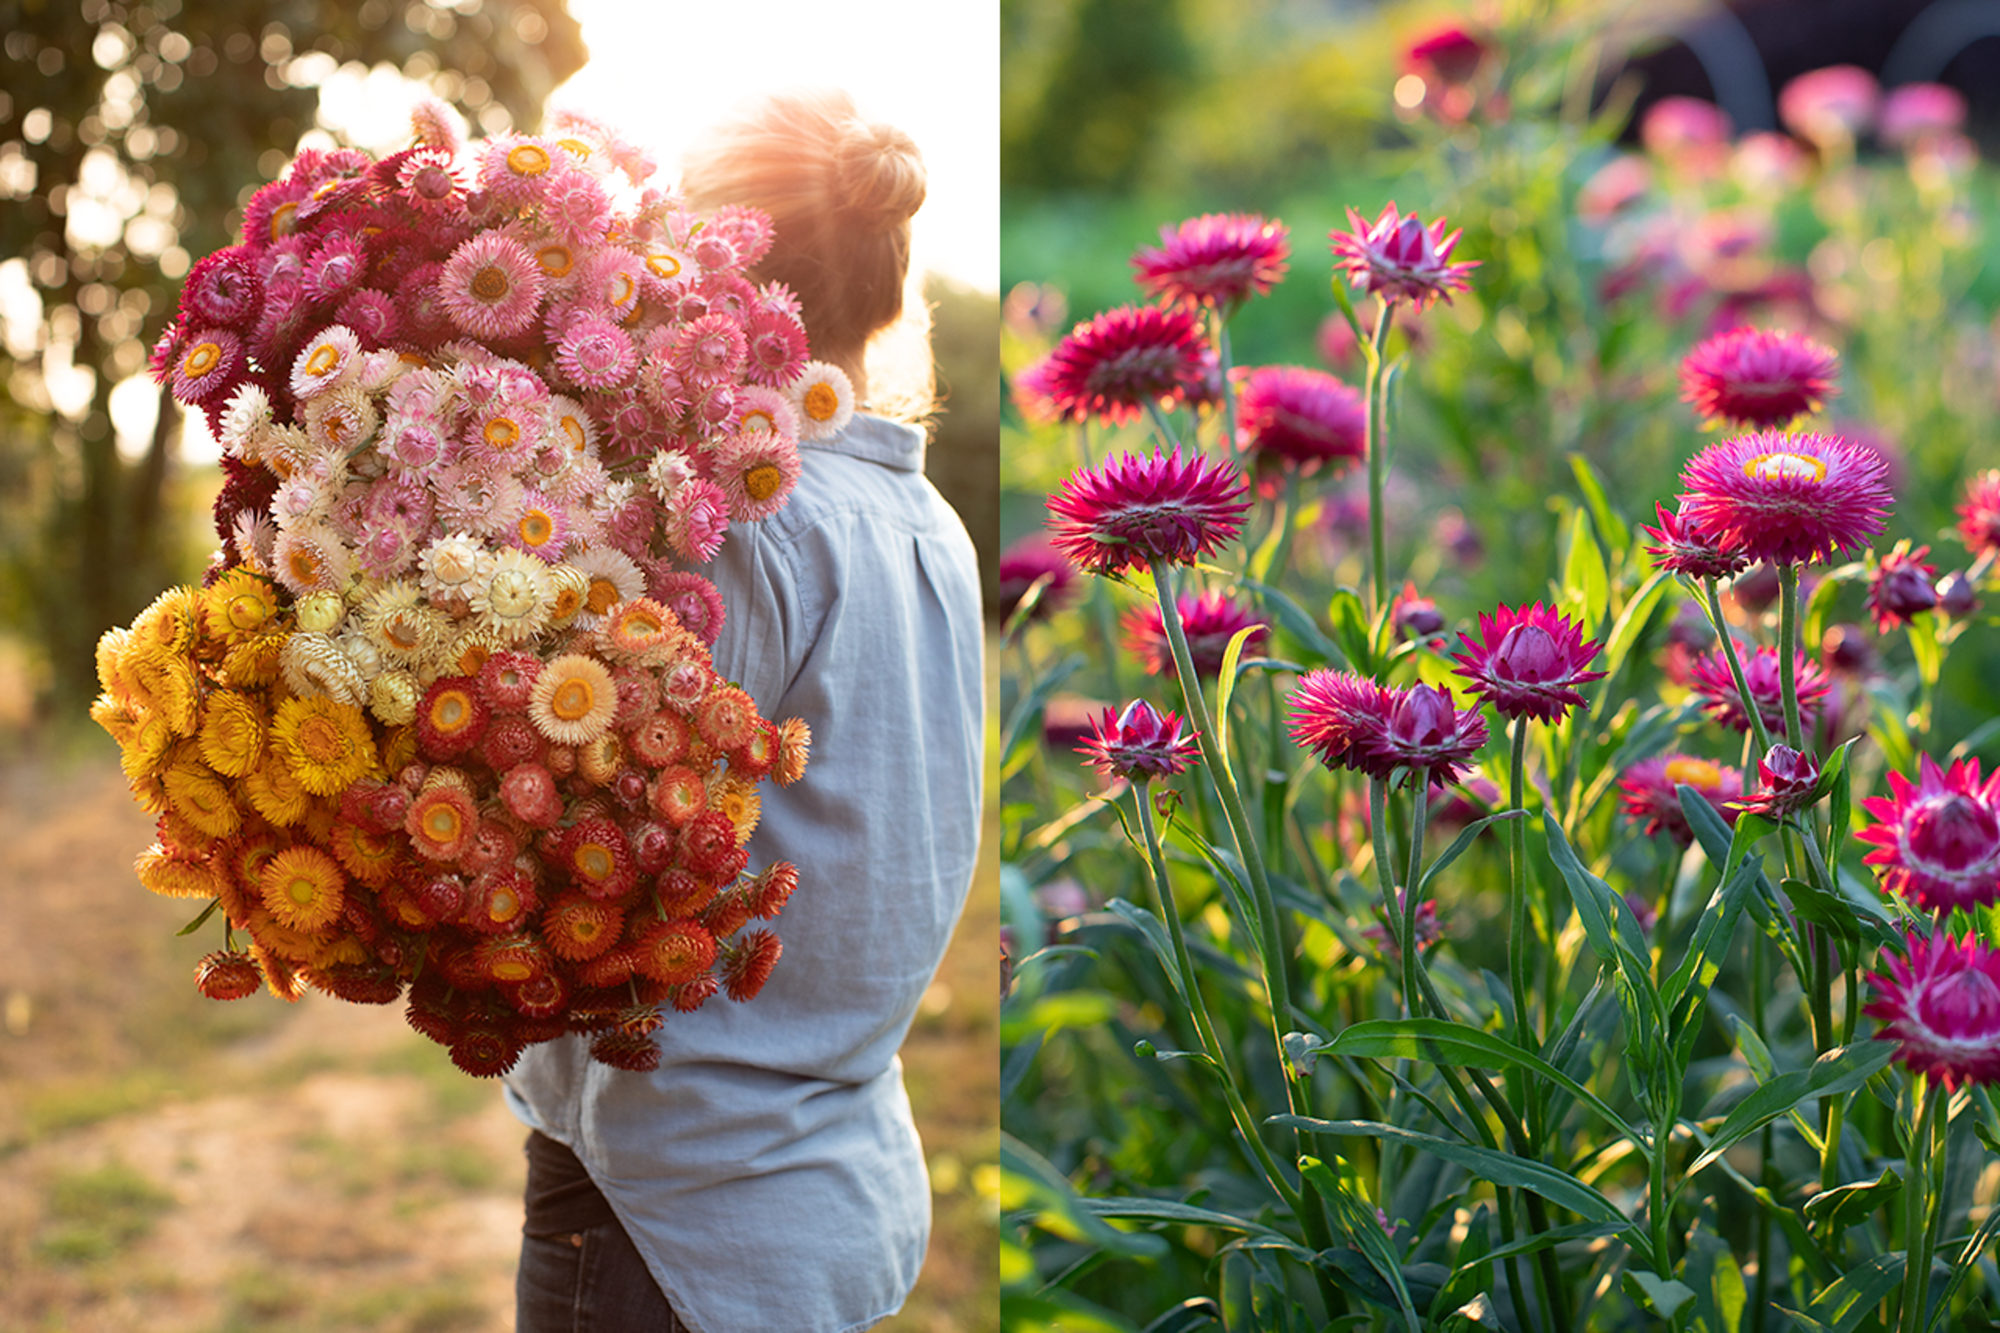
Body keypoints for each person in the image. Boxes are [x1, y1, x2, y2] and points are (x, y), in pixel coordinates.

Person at [504, 89, 986, 1333]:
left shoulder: (747, 528)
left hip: (674, 1210)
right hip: (830, 1189)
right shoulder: (926, 523)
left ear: (703, 265)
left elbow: (588, 852)